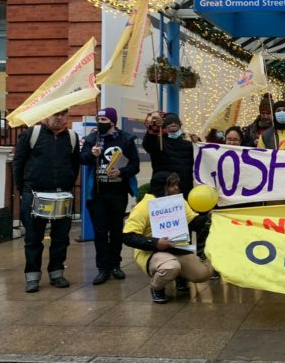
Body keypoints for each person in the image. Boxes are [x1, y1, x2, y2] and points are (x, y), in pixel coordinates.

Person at [13, 109, 80, 292]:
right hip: (34, 194)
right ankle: (32, 277)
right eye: (55, 114)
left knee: (60, 238)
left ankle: (57, 273)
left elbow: (74, 166)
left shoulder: (72, 137)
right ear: (45, 116)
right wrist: (23, 190)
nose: (59, 118)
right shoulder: (30, 134)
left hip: (62, 195)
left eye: (63, 114)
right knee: (33, 239)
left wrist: (66, 185)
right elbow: (18, 163)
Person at [123, 171, 213, 304]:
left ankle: (180, 276)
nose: (176, 188)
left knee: (203, 274)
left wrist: (207, 219)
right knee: (170, 267)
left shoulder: (179, 201)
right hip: (152, 252)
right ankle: (156, 287)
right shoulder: (143, 207)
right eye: (172, 185)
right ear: (162, 188)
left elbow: (193, 221)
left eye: (176, 184)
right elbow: (127, 236)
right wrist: (155, 242)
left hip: (178, 249)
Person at [80, 107, 141, 285]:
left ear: (113, 122)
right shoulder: (92, 139)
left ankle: (116, 265)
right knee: (100, 231)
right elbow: (82, 159)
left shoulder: (126, 139)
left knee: (116, 230)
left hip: (118, 192)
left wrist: (121, 171)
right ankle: (103, 268)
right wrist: (92, 155)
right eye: (99, 119)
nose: (101, 123)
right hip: (98, 193)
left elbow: (135, 165)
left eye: (104, 120)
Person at [143, 112, 196, 198]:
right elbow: (148, 144)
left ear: (180, 125)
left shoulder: (188, 145)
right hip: (165, 192)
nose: (173, 124)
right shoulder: (159, 143)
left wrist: (198, 143)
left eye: (175, 122)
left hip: (186, 191)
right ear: (163, 126)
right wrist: (154, 128)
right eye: (169, 122)